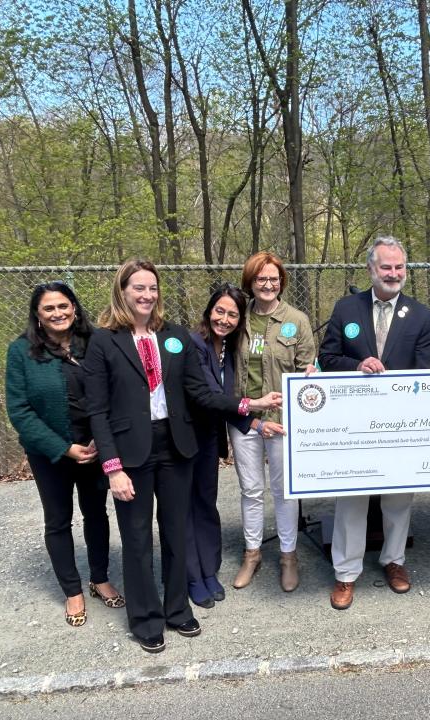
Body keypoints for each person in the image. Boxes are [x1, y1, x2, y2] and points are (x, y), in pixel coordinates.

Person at [84, 259, 280, 653]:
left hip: (176, 447)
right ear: (122, 291)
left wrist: (248, 404)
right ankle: (145, 619)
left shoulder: (174, 336)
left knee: (176, 531)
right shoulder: (104, 341)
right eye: (138, 287)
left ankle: (177, 609)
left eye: (152, 288)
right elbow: (97, 411)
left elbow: (200, 392)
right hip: (131, 453)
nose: (146, 295)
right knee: (138, 539)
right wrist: (112, 467)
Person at [318, 236, 430, 610]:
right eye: (386, 267)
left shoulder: (421, 315)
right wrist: (358, 365)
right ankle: (346, 573)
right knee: (351, 499)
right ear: (371, 270)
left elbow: (428, 371)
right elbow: (327, 357)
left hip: (401, 423)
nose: (393, 273)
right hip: (355, 425)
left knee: (398, 499)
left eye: (399, 267)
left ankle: (394, 561)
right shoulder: (345, 308)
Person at [5, 282, 124, 628]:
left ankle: (99, 577)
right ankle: (72, 590)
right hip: (52, 453)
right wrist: (63, 448)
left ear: (74, 307)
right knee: (58, 520)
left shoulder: (95, 342)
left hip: (95, 446)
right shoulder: (21, 351)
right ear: (38, 316)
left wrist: (103, 440)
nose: (58, 313)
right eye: (49, 309)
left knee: (96, 513)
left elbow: (116, 391)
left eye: (63, 306)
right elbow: (20, 410)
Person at [230, 252, 316, 592]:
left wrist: (314, 373)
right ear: (250, 282)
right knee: (251, 490)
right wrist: (247, 416)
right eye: (261, 279)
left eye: (274, 278)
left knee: (284, 491)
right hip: (245, 419)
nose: (268, 284)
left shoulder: (297, 319)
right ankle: (252, 554)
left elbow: (309, 368)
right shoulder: (238, 319)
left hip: (282, 421)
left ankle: (288, 556)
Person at [186, 285, 254, 608]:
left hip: (209, 440)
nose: (224, 319)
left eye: (232, 314)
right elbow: (210, 396)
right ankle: (192, 575)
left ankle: (209, 571)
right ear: (209, 310)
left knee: (206, 504)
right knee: (186, 508)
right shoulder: (193, 344)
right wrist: (252, 406)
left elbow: (226, 396)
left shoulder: (227, 347)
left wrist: (256, 423)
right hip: (184, 439)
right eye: (220, 311)